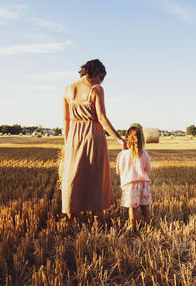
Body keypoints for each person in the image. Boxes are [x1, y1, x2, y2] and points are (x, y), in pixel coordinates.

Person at [61, 59, 124, 226]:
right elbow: (102, 118)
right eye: (100, 78)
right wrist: (118, 137)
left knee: (73, 176)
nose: (100, 82)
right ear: (96, 73)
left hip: (74, 136)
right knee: (97, 176)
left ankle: (71, 217)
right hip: (93, 135)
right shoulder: (97, 90)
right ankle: (98, 219)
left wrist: (67, 142)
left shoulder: (68, 90)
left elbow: (66, 120)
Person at [116, 126, 152, 231]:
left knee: (132, 208)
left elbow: (119, 171)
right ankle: (148, 225)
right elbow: (148, 168)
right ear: (142, 140)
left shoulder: (122, 155)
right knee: (144, 207)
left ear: (127, 139)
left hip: (130, 185)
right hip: (143, 184)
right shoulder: (145, 154)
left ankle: (133, 227)